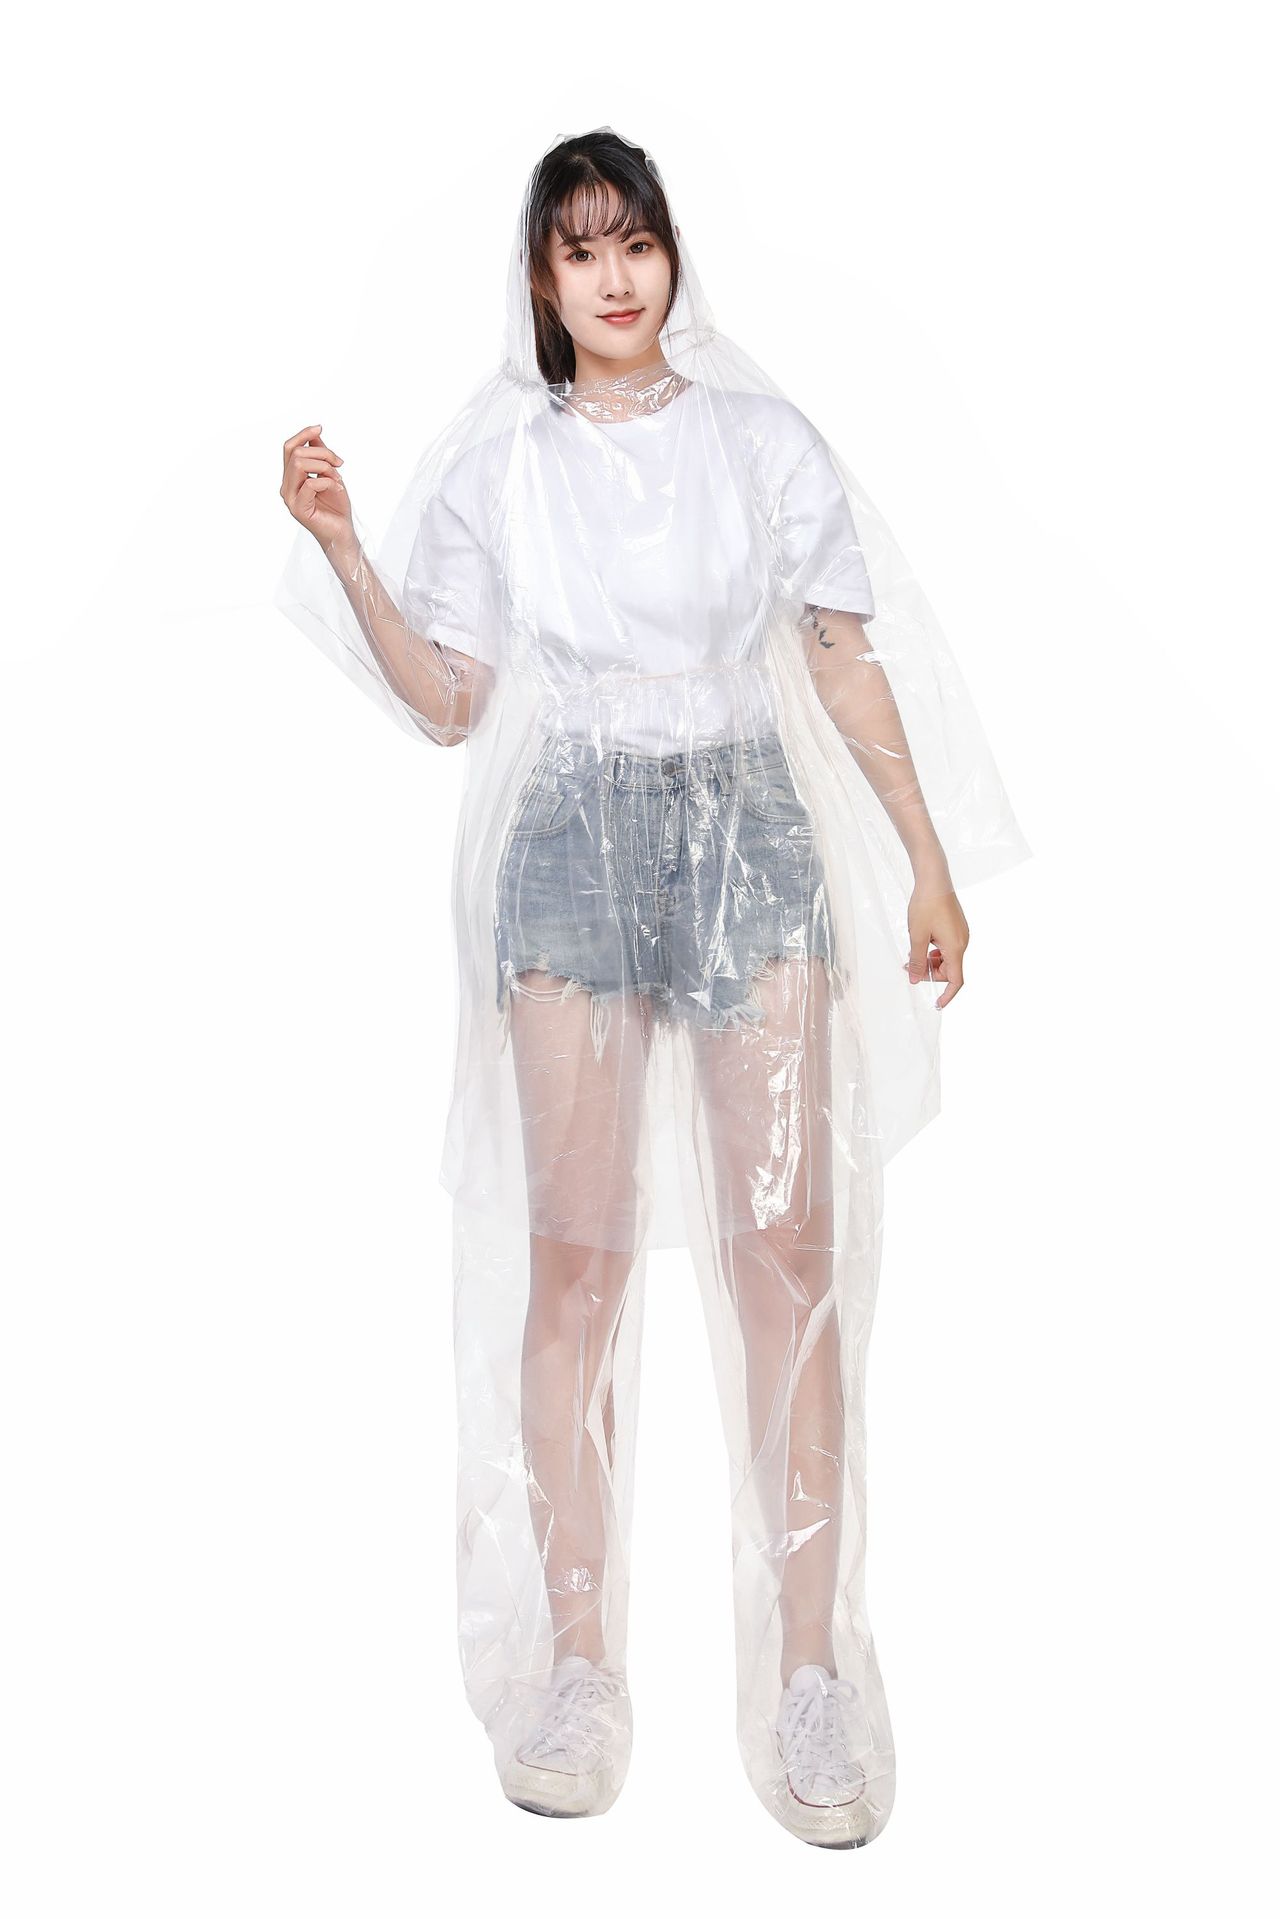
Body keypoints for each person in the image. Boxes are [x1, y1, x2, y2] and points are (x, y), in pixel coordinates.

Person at [276, 127, 1029, 1849]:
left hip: (750, 827)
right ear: (541, 283)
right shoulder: (501, 462)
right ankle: (576, 1664)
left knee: (791, 1259)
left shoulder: (760, 439)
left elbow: (842, 658)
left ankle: (812, 1672)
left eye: (638, 242)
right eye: (582, 251)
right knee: (575, 1263)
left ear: (672, 256)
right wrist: (345, 552)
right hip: (570, 841)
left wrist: (924, 861)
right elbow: (452, 702)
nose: (616, 277)